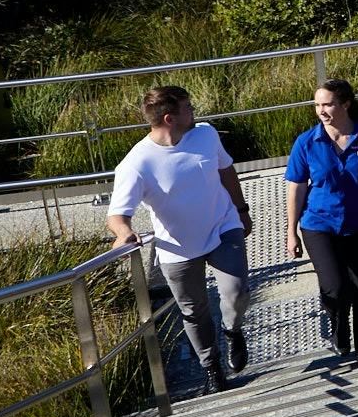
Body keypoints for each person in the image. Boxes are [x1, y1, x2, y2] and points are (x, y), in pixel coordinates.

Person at [107, 86, 252, 390]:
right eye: (188, 108)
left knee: (237, 291)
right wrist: (125, 233)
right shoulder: (137, 163)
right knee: (193, 311)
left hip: (222, 225)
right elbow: (117, 216)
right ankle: (212, 369)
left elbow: (226, 170)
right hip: (177, 247)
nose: (194, 112)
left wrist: (241, 210)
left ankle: (232, 330)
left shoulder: (206, 134)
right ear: (170, 118)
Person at [285, 79, 358, 359]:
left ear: (345, 104)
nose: (321, 110)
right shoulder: (307, 142)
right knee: (335, 286)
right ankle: (337, 325)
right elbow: (296, 187)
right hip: (319, 224)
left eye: (328, 104)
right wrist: (291, 231)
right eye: (317, 105)